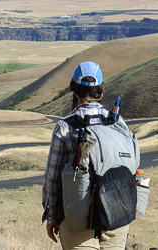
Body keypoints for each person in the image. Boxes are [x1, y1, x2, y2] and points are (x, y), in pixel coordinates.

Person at [42, 61, 129, 249]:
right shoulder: (117, 122)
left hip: (76, 218)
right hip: (116, 214)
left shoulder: (65, 127)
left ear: (74, 90)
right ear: (101, 90)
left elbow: (53, 179)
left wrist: (51, 216)